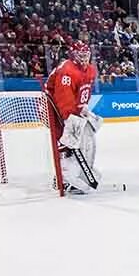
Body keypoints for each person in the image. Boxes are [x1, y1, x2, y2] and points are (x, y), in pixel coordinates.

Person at [44, 41, 101, 194]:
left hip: (70, 111)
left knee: (83, 142)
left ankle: (79, 173)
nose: (83, 58)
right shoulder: (67, 71)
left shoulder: (90, 70)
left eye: (86, 55)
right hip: (53, 109)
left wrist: (83, 109)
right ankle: (62, 178)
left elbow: (83, 93)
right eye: (80, 55)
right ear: (73, 55)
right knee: (64, 143)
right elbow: (63, 99)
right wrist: (69, 118)